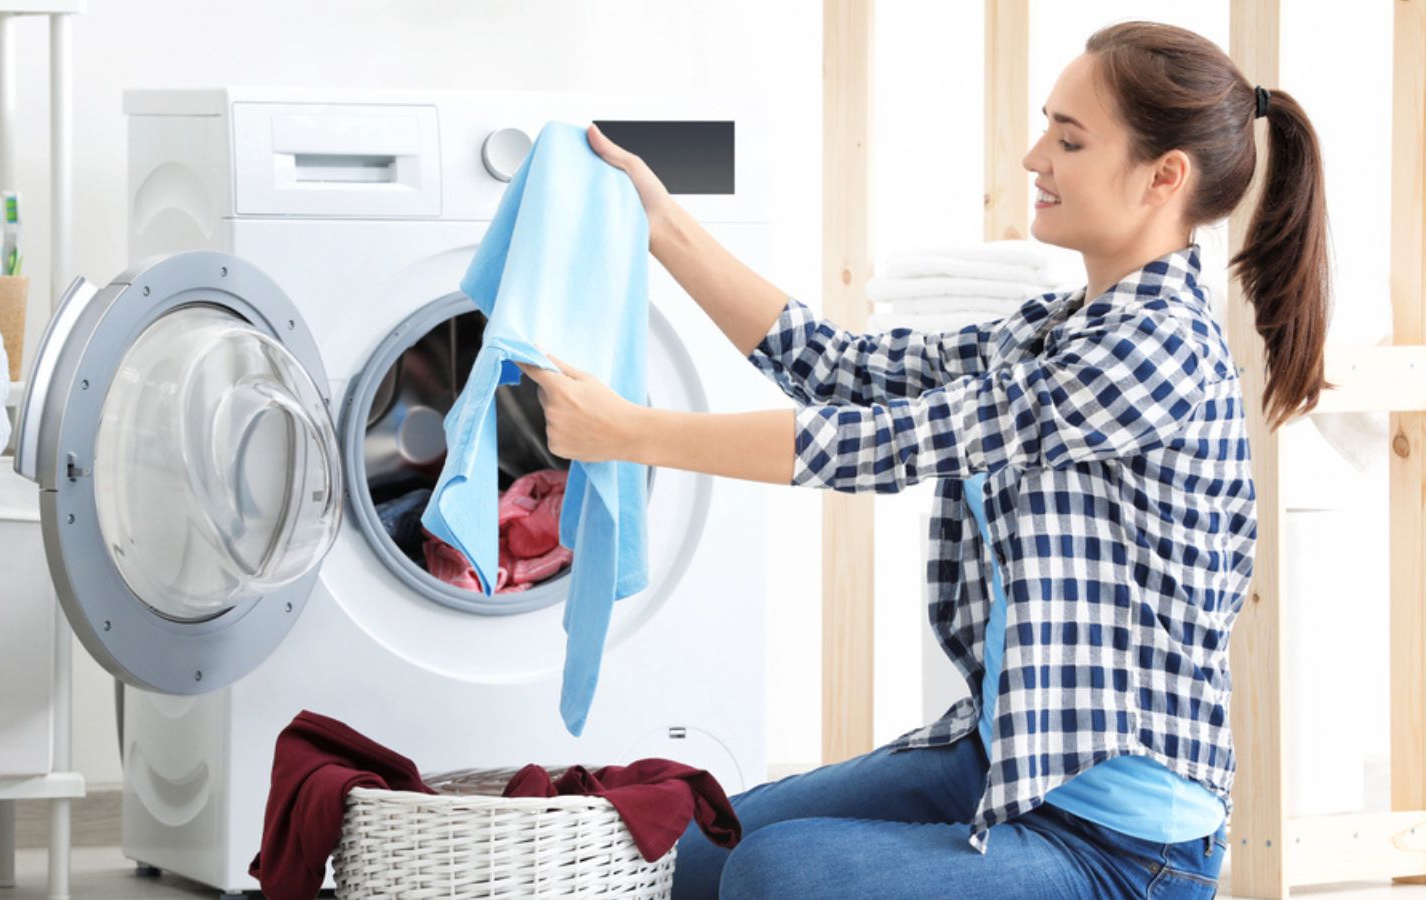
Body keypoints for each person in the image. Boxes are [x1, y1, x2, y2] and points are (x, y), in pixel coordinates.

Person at [518, 20, 1329, 899]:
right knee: (694, 848)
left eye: (1068, 139)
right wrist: (663, 225)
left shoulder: (1154, 349)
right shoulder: (1063, 327)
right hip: (1004, 763)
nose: (1033, 157)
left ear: (1164, 177)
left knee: (773, 877)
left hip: (1123, 850)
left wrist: (628, 432)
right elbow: (841, 368)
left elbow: (883, 445)